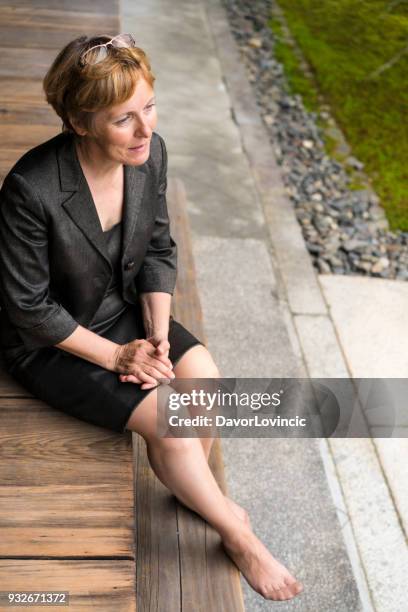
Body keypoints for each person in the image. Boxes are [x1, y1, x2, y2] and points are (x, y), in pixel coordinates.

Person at [0, 34, 303, 602]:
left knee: (204, 378)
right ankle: (237, 530)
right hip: (51, 340)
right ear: (80, 121)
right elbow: (27, 307)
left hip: (121, 310)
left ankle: (188, 481)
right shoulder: (30, 189)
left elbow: (158, 248)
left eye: (149, 107)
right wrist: (118, 355)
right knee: (174, 423)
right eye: (124, 119)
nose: (144, 131)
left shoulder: (149, 154)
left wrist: (157, 334)